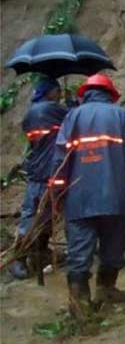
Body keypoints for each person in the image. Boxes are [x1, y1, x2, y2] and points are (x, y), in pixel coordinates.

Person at [51, 74, 125, 319]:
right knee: (113, 248)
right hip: (115, 197)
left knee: (79, 252)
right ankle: (106, 290)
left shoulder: (72, 117)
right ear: (111, 95)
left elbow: (60, 160)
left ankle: (80, 304)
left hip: (79, 199)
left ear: (85, 94)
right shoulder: (121, 116)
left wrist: (56, 195)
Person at [11, 77, 68, 280]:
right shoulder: (49, 109)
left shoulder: (32, 112)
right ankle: (19, 259)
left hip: (40, 169)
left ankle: (40, 253)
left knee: (45, 216)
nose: (60, 94)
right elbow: (74, 117)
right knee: (34, 216)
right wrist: (71, 105)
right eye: (58, 91)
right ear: (50, 92)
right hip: (45, 171)